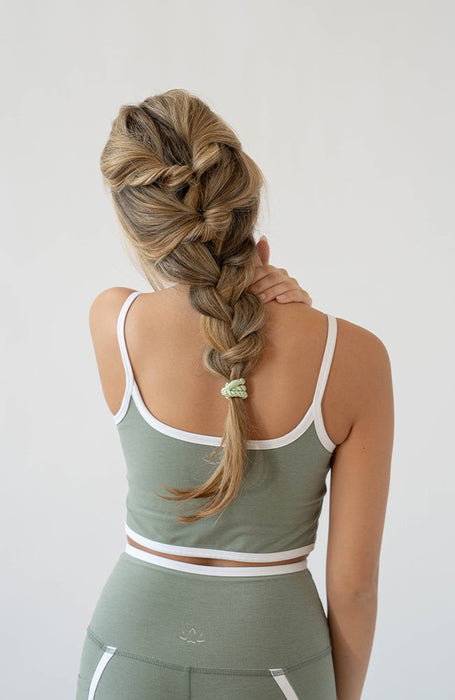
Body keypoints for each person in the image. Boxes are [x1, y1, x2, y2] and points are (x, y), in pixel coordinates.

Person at [75, 89, 394, 700]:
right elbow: (354, 588)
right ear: (245, 201)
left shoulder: (114, 321)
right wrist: (295, 313)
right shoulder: (354, 356)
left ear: (139, 227)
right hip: (276, 657)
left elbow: (205, 328)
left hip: (126, 652)